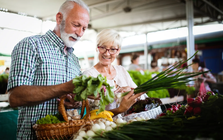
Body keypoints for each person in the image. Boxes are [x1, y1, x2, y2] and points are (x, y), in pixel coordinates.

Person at [7, 0, 90, 139]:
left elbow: (75, 103)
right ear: (59, 18)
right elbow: (15, 97)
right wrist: (64, 88)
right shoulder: (31, 45)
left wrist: (76, 102)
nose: (80, 33)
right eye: (76, 25)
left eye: (84, 28)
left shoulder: (74, 59)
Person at [83, 29, 144, 118]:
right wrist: (119, 109)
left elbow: (140, 96)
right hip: (103, 127)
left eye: (112, 49)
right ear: (97, 48)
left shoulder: (121, 71)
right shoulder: (88, 75)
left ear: (118, 51)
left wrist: (130, 92)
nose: (107, 53)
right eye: (103, 47)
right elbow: (89, 113)